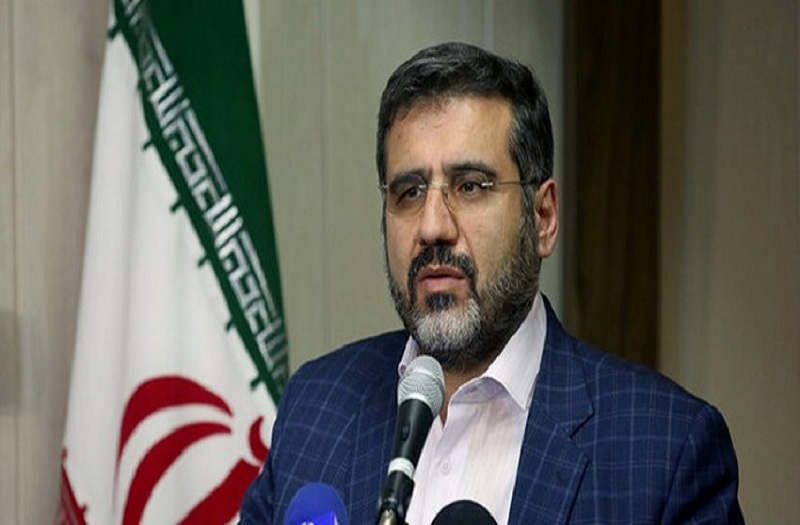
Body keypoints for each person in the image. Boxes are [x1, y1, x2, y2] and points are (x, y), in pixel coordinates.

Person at [240, 42, 743, 524]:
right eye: (409, 192)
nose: (432, 226)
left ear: (543, 217)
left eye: (470, 186)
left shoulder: (665, 451)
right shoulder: (316, 408)